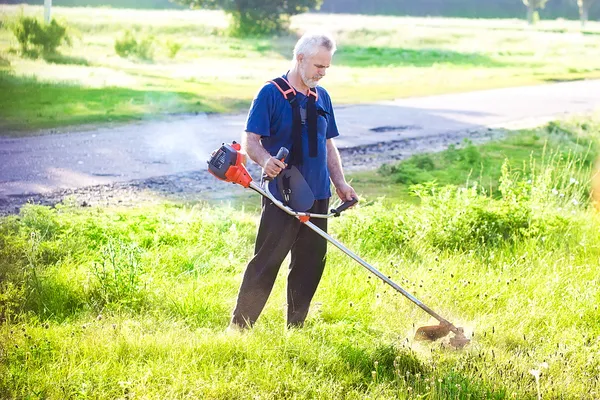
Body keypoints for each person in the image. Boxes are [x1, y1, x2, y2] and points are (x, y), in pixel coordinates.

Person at [229, 31, 357, 330]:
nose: (322, 73)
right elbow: (251, 139)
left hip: (318, 194)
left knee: (311, 263)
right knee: (266, 262)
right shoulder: (270, 93)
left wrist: (340, 183)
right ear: (300, 58)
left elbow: (327, 144)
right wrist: (264, 160)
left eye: (326, 67)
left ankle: (295, 328)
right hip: (283, 194)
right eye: (318, 66)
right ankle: (239, 328)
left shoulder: (322, 96)